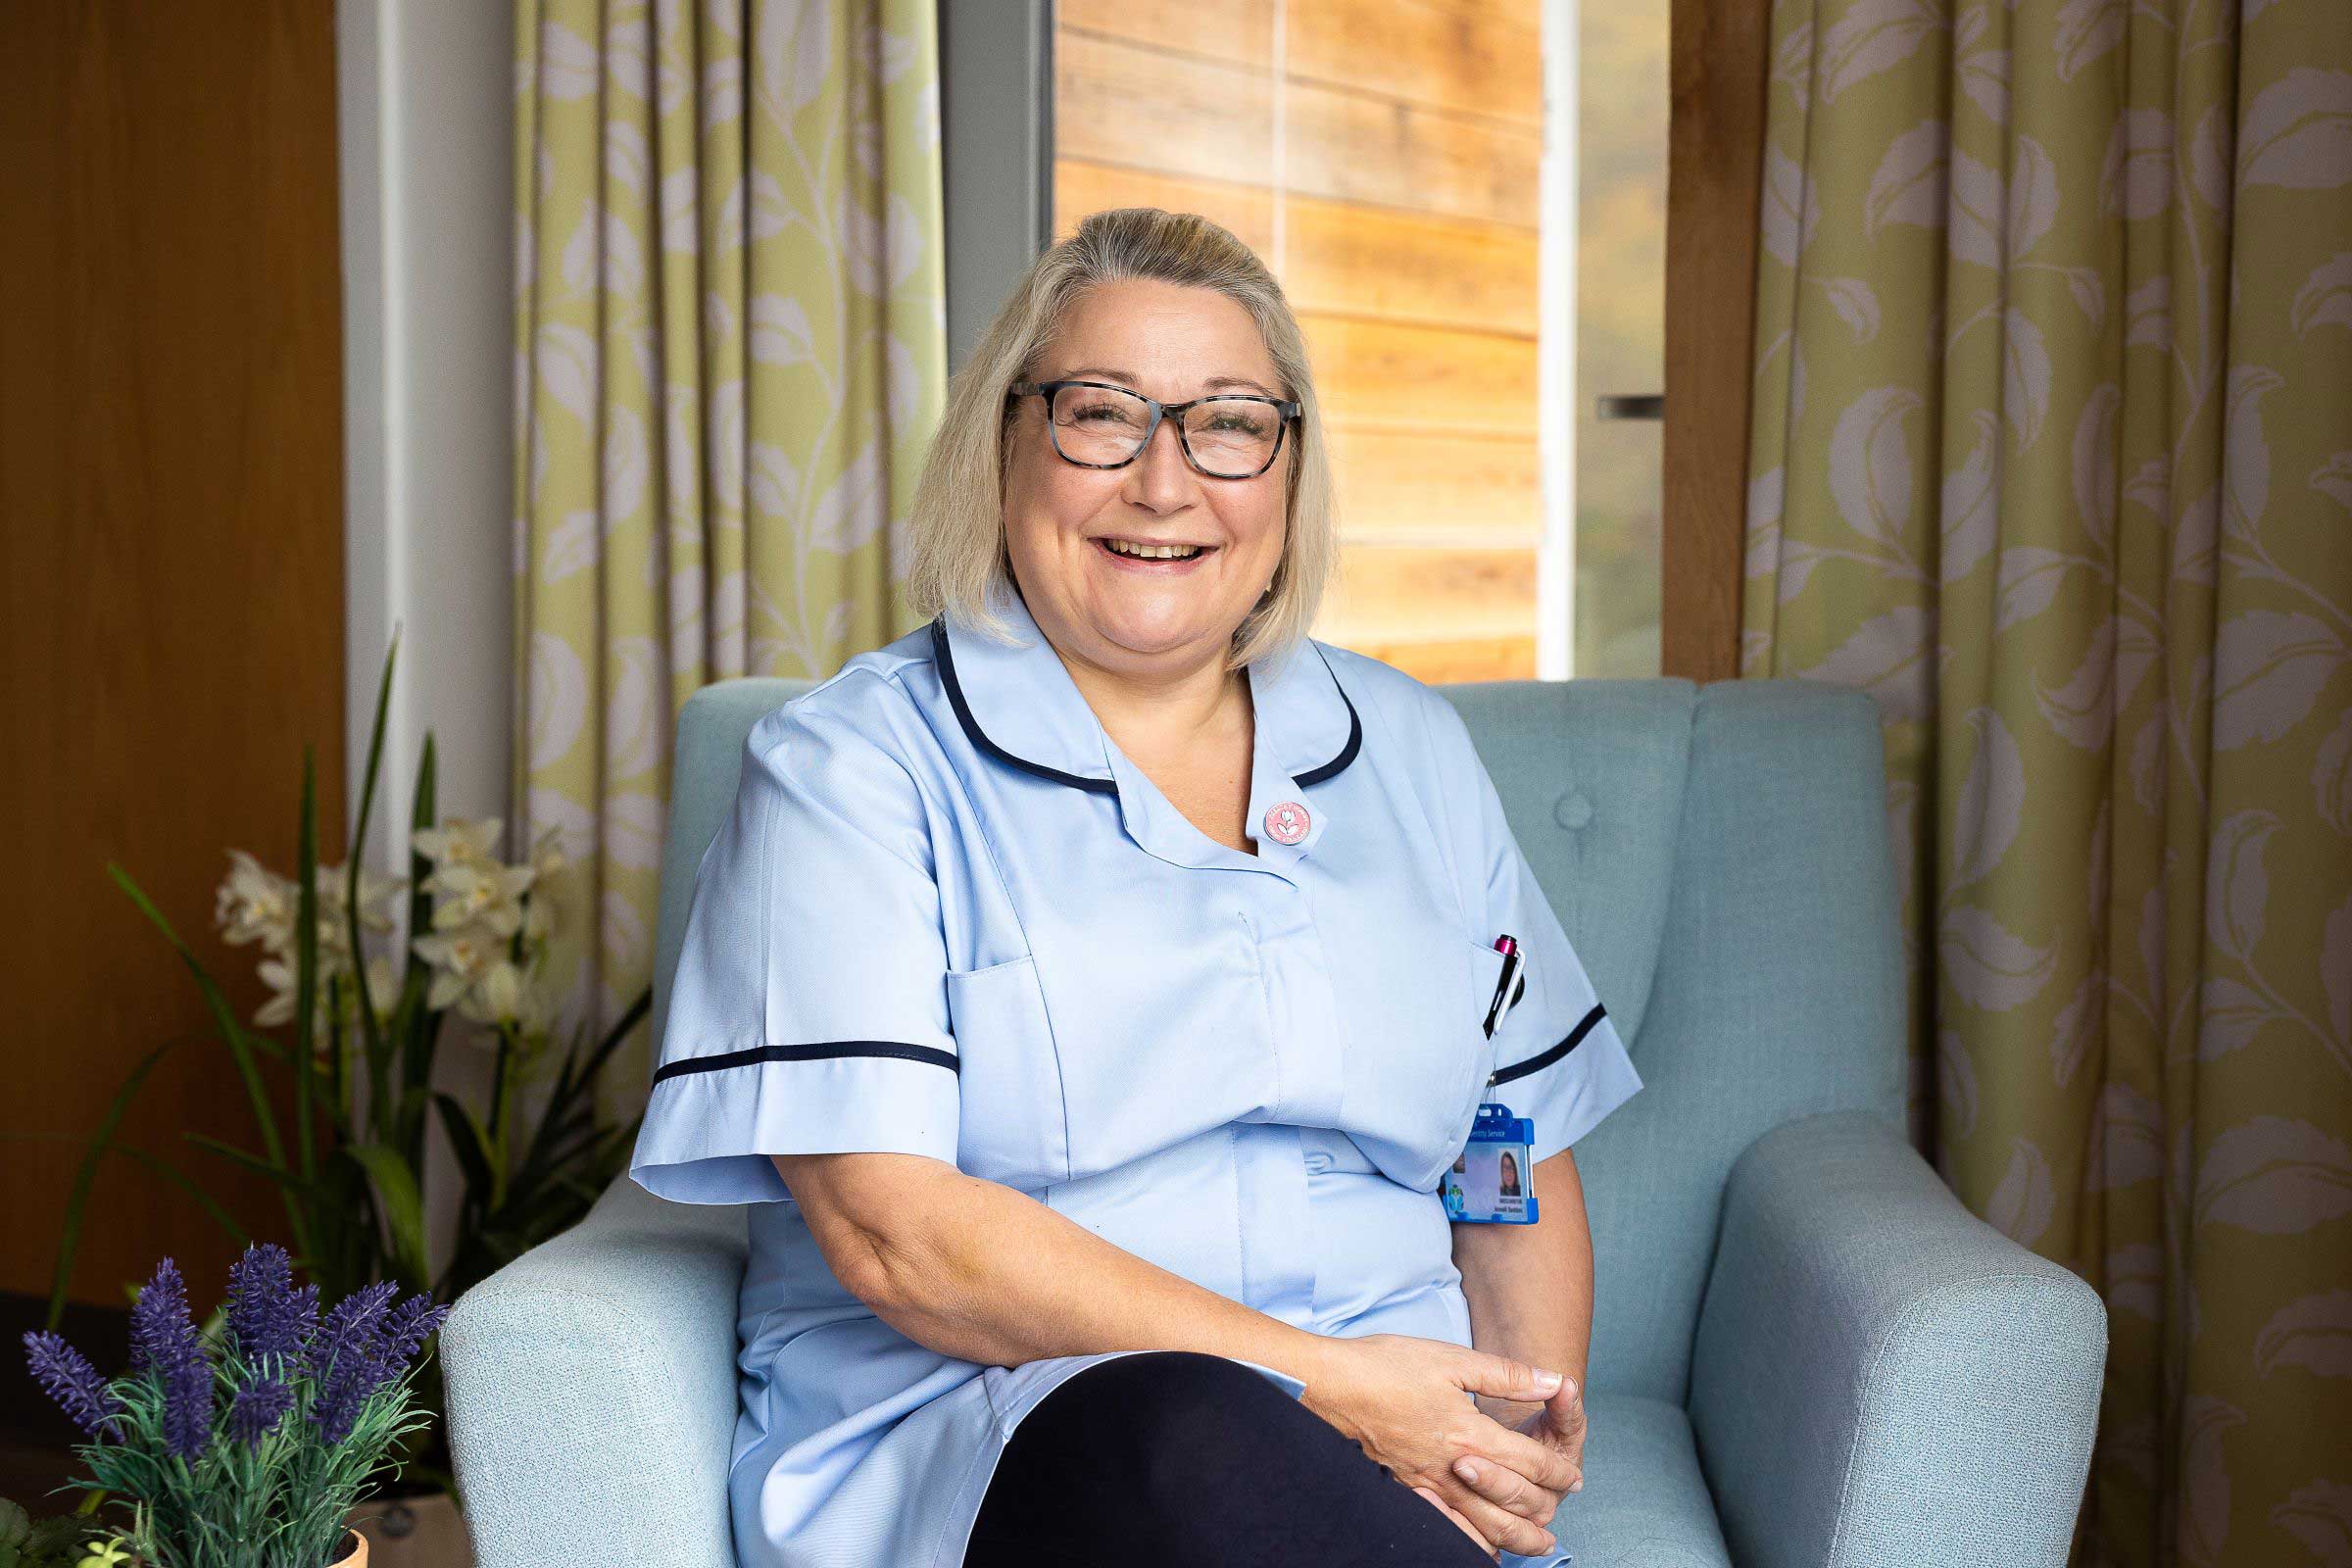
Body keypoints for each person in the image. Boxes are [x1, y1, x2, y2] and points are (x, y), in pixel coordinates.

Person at [629, 207, 1644, 1568]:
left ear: (1287, 473)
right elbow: (899, 1239)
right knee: (1184, 1430)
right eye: (1102, 416)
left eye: (1229, 423)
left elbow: (1511, 1147)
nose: (1166, 485)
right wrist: (1325, 1383)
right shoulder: (850, 771)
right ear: (1004, 449)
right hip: (1005, 1440)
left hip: (1389, 1475)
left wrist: (1500, 1468)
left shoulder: (1410, 752)